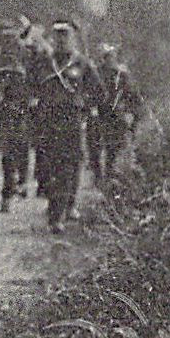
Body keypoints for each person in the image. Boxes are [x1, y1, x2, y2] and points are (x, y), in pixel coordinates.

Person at [30, 18, 103, 233]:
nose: (61, 41)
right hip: (46, 124)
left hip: (71, 124)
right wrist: (33, 101)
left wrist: (85, 103)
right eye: (57, 36)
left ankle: (57, 214)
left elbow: (99, 93)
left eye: (66, 36)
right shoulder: (43, 63)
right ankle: (58, 208)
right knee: (47, 169)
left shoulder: (82, 64)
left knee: (67, 169)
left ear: (72, 39)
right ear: (52, 39)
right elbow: (29, 87)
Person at [88, 43, 142, 182]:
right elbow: (90, 92)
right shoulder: (96, 73)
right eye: (106, 57)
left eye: (111, 57)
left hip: (115, 114)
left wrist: (131, 112)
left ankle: (110, 173)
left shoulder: (121, 74)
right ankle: (98, 175)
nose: (108, 60)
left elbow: (132, 94)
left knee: (113, 146)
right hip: (98, 113)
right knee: (95, 146)